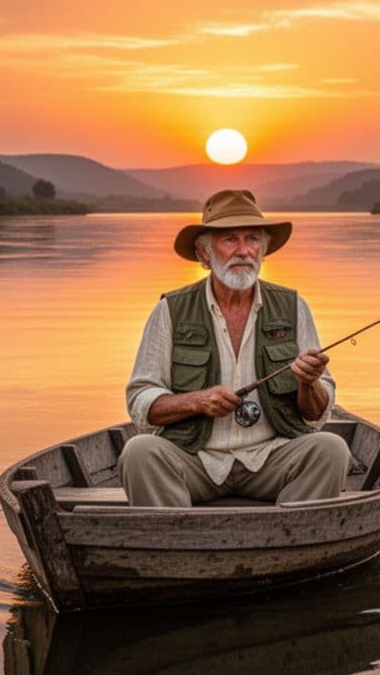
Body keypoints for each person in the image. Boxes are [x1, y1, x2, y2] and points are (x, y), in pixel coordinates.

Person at [121, 188, 351, 506]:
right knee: (139, 452)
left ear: (263, 249)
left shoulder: (294, 306)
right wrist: (197, 402)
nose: (243, 250)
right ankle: (177, 544)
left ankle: (287, 542)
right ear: (205, 254)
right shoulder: (170, 310)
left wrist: (308, 383)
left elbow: (316, 415)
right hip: (194, 461)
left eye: (252, 239)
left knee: (331, 449)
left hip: (271, 459)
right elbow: (141, 402)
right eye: (230, 240)